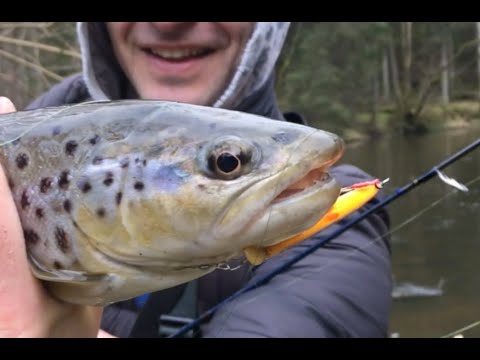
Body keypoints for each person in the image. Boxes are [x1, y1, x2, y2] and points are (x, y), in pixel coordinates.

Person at [0, 22, 392, 338]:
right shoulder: (19, 155)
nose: (170, 24)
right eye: (227, 162)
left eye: (227, 162)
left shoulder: (336, 221)